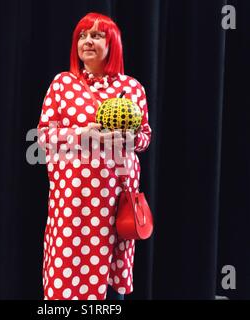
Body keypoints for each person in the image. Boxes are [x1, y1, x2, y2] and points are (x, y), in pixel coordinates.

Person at [37, 12, 152, 300]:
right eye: (82, 36)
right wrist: (82, 135)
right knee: (67, 275)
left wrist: (130, 137)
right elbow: (43, 137)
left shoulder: (131, 88)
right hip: (73, 201)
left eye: (97, 35)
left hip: (116, 200)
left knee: (110, 287)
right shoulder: (62, 84)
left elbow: (145, 137)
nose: (87, 41)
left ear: (112, 43)